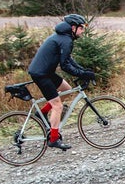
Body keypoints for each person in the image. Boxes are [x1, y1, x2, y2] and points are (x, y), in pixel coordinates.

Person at [28, 14, 96, 150]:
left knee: (66, 89)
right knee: (57, 106)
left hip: (46, 72)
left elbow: (69, 60)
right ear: (73, 27)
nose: (83, 31)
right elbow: (65, 65)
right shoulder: (65, 40)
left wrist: (83, 70)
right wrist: (82, 74)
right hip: (41, 74)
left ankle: (41, 113)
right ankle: (53, 139)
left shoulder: (64, 38)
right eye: (81, 28)